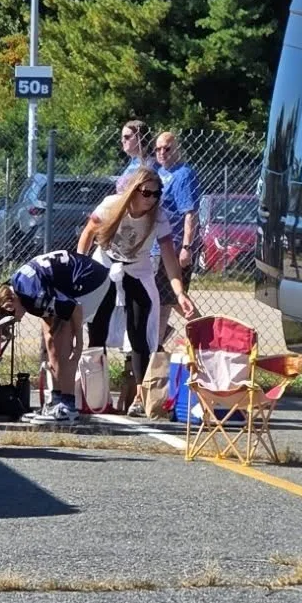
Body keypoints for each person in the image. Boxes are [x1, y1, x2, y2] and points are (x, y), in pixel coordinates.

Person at [78, 167, 193, 416]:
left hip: (138, 270)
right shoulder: (111, 205)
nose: (152, 198)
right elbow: (88, 233)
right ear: (134, 190)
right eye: (147, 192)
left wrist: (179, 292)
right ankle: (95, 395)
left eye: (157, 193)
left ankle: (140, 399)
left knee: (139, 333)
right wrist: (80, 266)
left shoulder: (158, 217)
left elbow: (169, 258)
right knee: (97, 329)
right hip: (105, 265)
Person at [9, 249, 113, 424]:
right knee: (51, 339)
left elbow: (74, 308)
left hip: (89, 279)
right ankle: (55, 401)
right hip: (67, 281)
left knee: (62, 341)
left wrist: (79, 342)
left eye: (11, 315)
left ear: (9, 302)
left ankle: (68, 406)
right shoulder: (19, 286)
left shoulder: (30, 295)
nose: (14, 320)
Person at [152, 130, 199, 342]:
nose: (162, 152)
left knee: (172, 299)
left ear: (177, 150)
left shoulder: (183, 175)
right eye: (158, 148)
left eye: (167, 148)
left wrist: (186, 247)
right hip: (157, 247)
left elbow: (190, 213)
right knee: (163, 301)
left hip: (175, 246)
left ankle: (208, 335)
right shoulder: (159, 173)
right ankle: (157, 347)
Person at [115, 119, 154, 192]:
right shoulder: (134, 162)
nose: (122, 140)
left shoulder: (149, 165)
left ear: (140, 138)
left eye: (127, 137)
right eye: (122, 137)